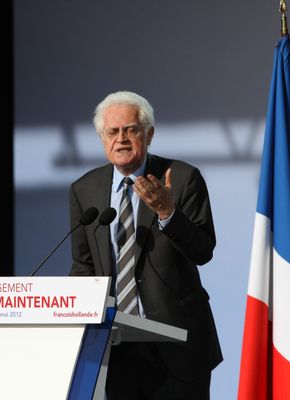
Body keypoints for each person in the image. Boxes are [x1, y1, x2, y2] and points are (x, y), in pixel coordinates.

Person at [69, 91, 222, 399]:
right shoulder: (84, 189)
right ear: (102, 139)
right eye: (112, 132)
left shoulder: (181, 178)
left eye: (131, 129)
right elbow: (84, 266)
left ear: (148, 134)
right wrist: (75, 322)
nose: (121, 139)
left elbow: (203, 250)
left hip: (177, 344)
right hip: (116, 349)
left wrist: (168, 212)